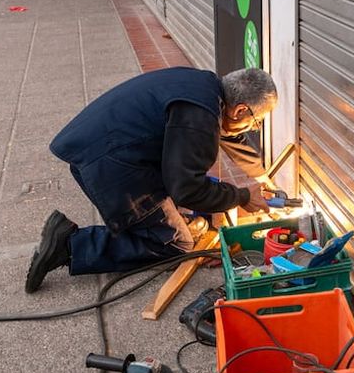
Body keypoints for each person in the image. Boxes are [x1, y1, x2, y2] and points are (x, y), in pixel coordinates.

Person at [25, 67, 279, 293]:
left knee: (193, 199)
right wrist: (243, 197)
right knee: (177, 243)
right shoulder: (199, 118)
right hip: (108, 165)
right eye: (255, 124)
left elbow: (232, 137)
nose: (252, 130)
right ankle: (69, 245)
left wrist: (261, 176)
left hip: (99, 145)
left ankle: (169, 221)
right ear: (241, 110)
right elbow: (187, 189)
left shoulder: (206, 90)